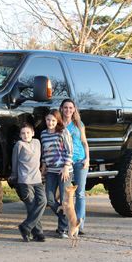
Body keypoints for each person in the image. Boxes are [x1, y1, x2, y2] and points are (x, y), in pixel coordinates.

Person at [10, 123, 47, 242]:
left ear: (33, 133)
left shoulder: (37, 142)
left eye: (28, 132)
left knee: (43, 202)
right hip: (25, 180)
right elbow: (14, 161)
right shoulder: (19, 145)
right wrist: (14, 175)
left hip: (37, 179)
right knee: (31, 206)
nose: (26, 135)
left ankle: (25, 226)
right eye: (23, 133)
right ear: (20, 135)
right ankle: (38, 233)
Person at [41, 109, 73, 239]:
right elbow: (44, 152)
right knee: (49, 198)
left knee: (65, 200)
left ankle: (62, 229)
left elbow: (69, 150)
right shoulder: (43, 134)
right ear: (45, 120)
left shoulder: (63, 132)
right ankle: (64, 218)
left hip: (64, 171)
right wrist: (43, 167)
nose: (50, 123)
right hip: (50, 171)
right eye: (48, 120)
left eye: (53, 120)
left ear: (57, 121)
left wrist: (66, 166)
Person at [60, 99, 90, 234]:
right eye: (65, 107)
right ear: (61, 108)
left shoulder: (79, 124)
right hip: (66, 163)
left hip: (80, 161)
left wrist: (87, 159)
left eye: (70, 108)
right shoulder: (58, 124)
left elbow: (84, 142)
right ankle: (66, 225)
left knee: (80, 194)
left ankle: (79, 225)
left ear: (74, 109)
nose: (68, 110)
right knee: (65, 196)